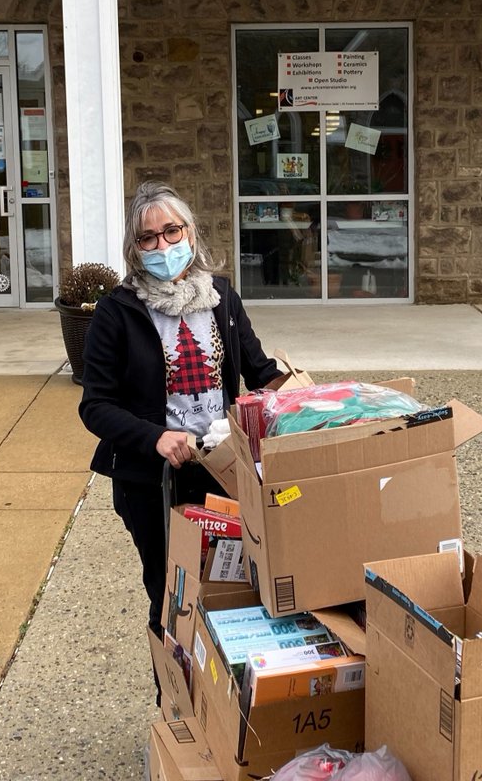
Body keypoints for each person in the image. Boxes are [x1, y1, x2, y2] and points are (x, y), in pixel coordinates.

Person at [78, 180, 283, 657]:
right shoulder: (116, 312)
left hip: (222, 469)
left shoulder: (221, 299)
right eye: (148, 238)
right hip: (154, 482)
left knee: (233, 589)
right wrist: (155, 438)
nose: (162, 246)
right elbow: (96, 405)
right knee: (173, 595)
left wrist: (305, 400)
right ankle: (173, 704)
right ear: (134, 249)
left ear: (191, 234)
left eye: (172, 232)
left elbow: (260, 372)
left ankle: (221, 710)